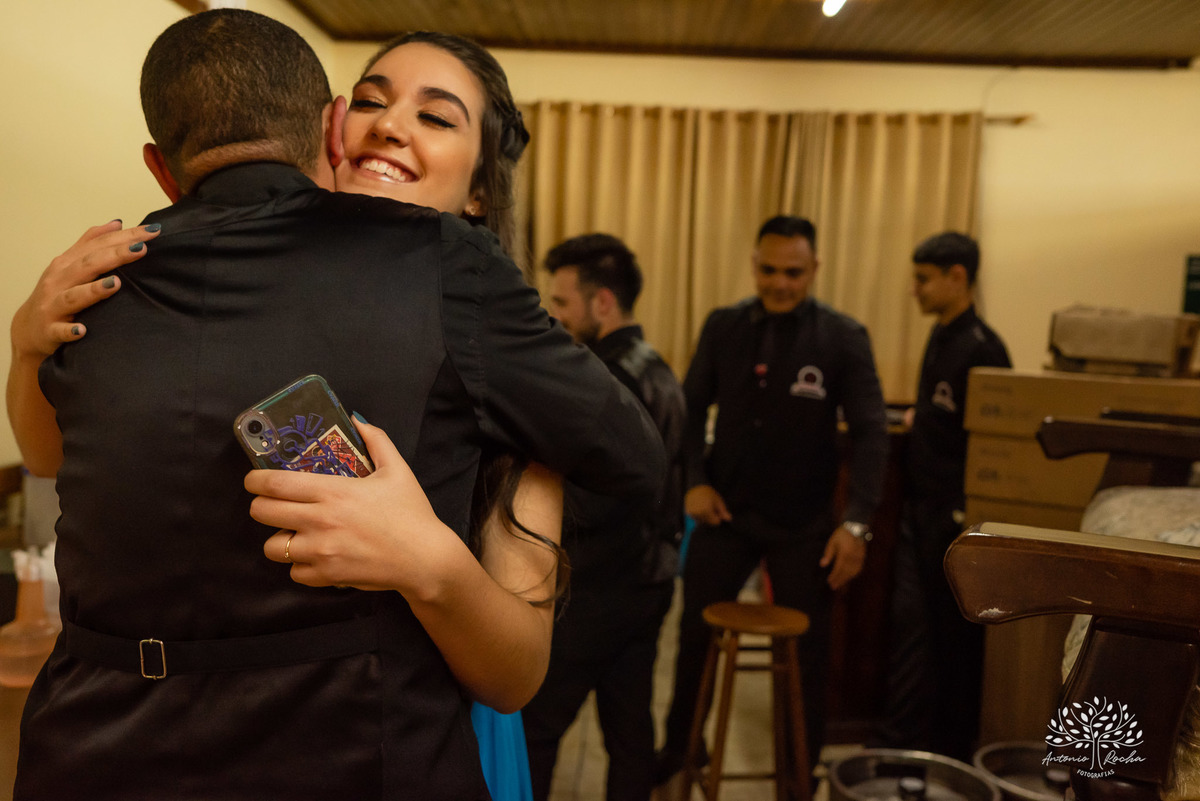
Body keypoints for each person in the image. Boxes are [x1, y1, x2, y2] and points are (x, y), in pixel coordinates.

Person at [7, 11, 665, 800]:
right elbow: (51, 459)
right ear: (329, 130)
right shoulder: (135, 284)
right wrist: (26, 348)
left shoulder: (519, 384)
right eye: (372, 102)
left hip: (415, 718)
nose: (388, 128)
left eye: (433, 116)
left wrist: (429, 557)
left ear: (482, 190)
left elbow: (516, 672)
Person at [656, 214, 889, 784]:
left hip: (804, 524)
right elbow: (687, 414)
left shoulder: (843, 336)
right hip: (726, 514)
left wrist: (856, 524)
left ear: (814, 270)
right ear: (754, 264)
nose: (779, 282)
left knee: (808, 656)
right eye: (769, 270)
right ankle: (683, 749)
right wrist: (694, 482)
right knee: (693, 641)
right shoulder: (724, 326)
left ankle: (798, 769)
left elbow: (871, 432)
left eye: (793, 272)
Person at [522, 234, 686, 801]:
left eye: (562, 303)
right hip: (651, 581)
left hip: (601, 586)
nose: (554, 316)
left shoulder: (607, 380)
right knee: (630, 732)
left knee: (536, 732)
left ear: (603, 303)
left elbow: (604, 500)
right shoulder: (658, 367)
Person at [874, 231, 1011, 761]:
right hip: (919, 509)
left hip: (953, 518)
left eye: (923, 279)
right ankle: (898, 740)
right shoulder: (940, 336)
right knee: (911, 632)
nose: (914, 290)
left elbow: (986, 446)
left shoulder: (984, 349)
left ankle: (952, 753)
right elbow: (942, 415)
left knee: (951, 641)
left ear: (958, 277)